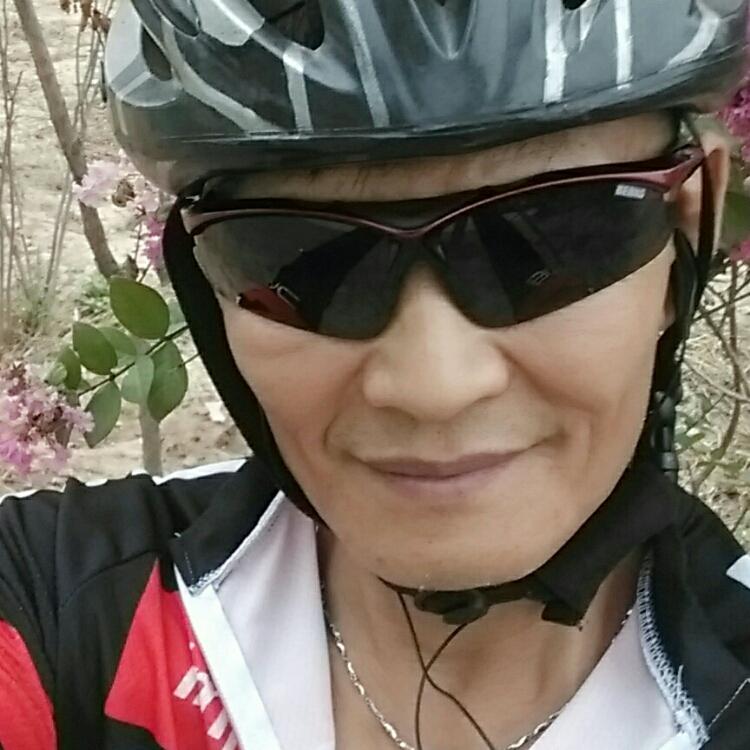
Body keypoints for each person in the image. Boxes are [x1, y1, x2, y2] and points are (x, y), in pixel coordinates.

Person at [1, 1, 750, 748]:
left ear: (690, 228)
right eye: (298, 260)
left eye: (546, 243)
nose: (433, 388)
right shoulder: (56, 597)